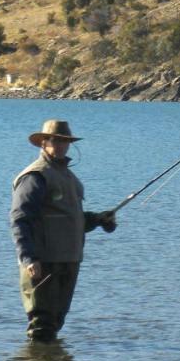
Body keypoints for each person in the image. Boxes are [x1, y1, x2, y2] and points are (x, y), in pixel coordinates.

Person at [10, 119, 117, 341]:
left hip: (69, 259)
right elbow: (20, 219)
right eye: (54, 141)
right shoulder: (35, 176)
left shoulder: (68, 177)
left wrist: (98, 219)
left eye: (64, 141)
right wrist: (29, 258)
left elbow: (70, 219)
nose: (59, 145)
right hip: (43, 262)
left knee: (56, 321)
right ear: (43, 143)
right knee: (42, 324)